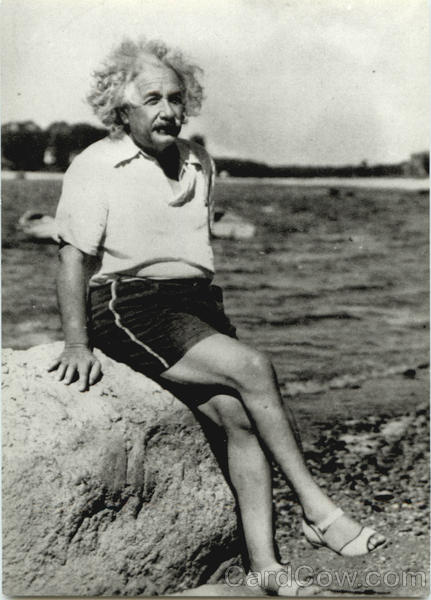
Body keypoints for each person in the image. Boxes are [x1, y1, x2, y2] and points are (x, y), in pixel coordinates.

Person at [49, 37, 386, 596]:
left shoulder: (199, 162)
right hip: (131, 305)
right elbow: (71, 259)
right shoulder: (96, 165)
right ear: (121, 110)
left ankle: (266, 568)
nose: (167, 110)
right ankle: (318, 510)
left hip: (198, 304)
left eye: (175, 98)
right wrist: (77, 343)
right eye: (151, 99)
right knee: (254, 367)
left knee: (239, 417)